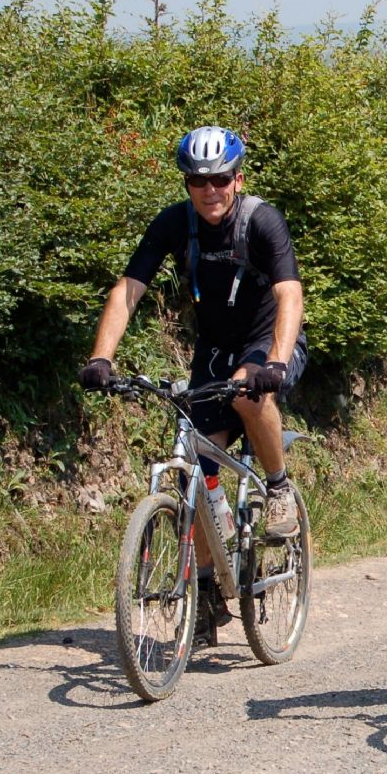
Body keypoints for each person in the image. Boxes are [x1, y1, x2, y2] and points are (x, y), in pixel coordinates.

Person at [79, 125, 308, 642]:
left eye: (220, 179)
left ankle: (277, 487)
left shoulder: (262, 221)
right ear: (187, 184)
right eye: (198, 181)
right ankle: (207, 589)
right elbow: (129, 288)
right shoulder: (174, 223)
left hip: (269, 342)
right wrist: (101, 357)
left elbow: (289, 295)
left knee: (248, 392)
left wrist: (275, 362)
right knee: (196, 475)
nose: (210, 190)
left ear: (237, 179)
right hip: (213, 351)